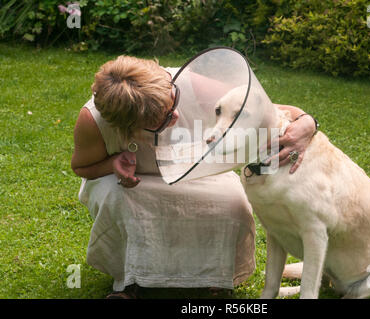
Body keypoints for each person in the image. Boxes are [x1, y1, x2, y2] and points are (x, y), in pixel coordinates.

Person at [71, 55, 317, 298]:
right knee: (119, 199)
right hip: (134, 184)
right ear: (127, 128)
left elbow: (265, 109)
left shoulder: (190, 83)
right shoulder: (93, 120)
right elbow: (82, 167)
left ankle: (214, 276)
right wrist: (113, 163)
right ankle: (131, 283)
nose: (175, 116)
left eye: (173, 103)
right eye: (165, 119)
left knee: (233, 203)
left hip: (197, 171)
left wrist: (307, 123)